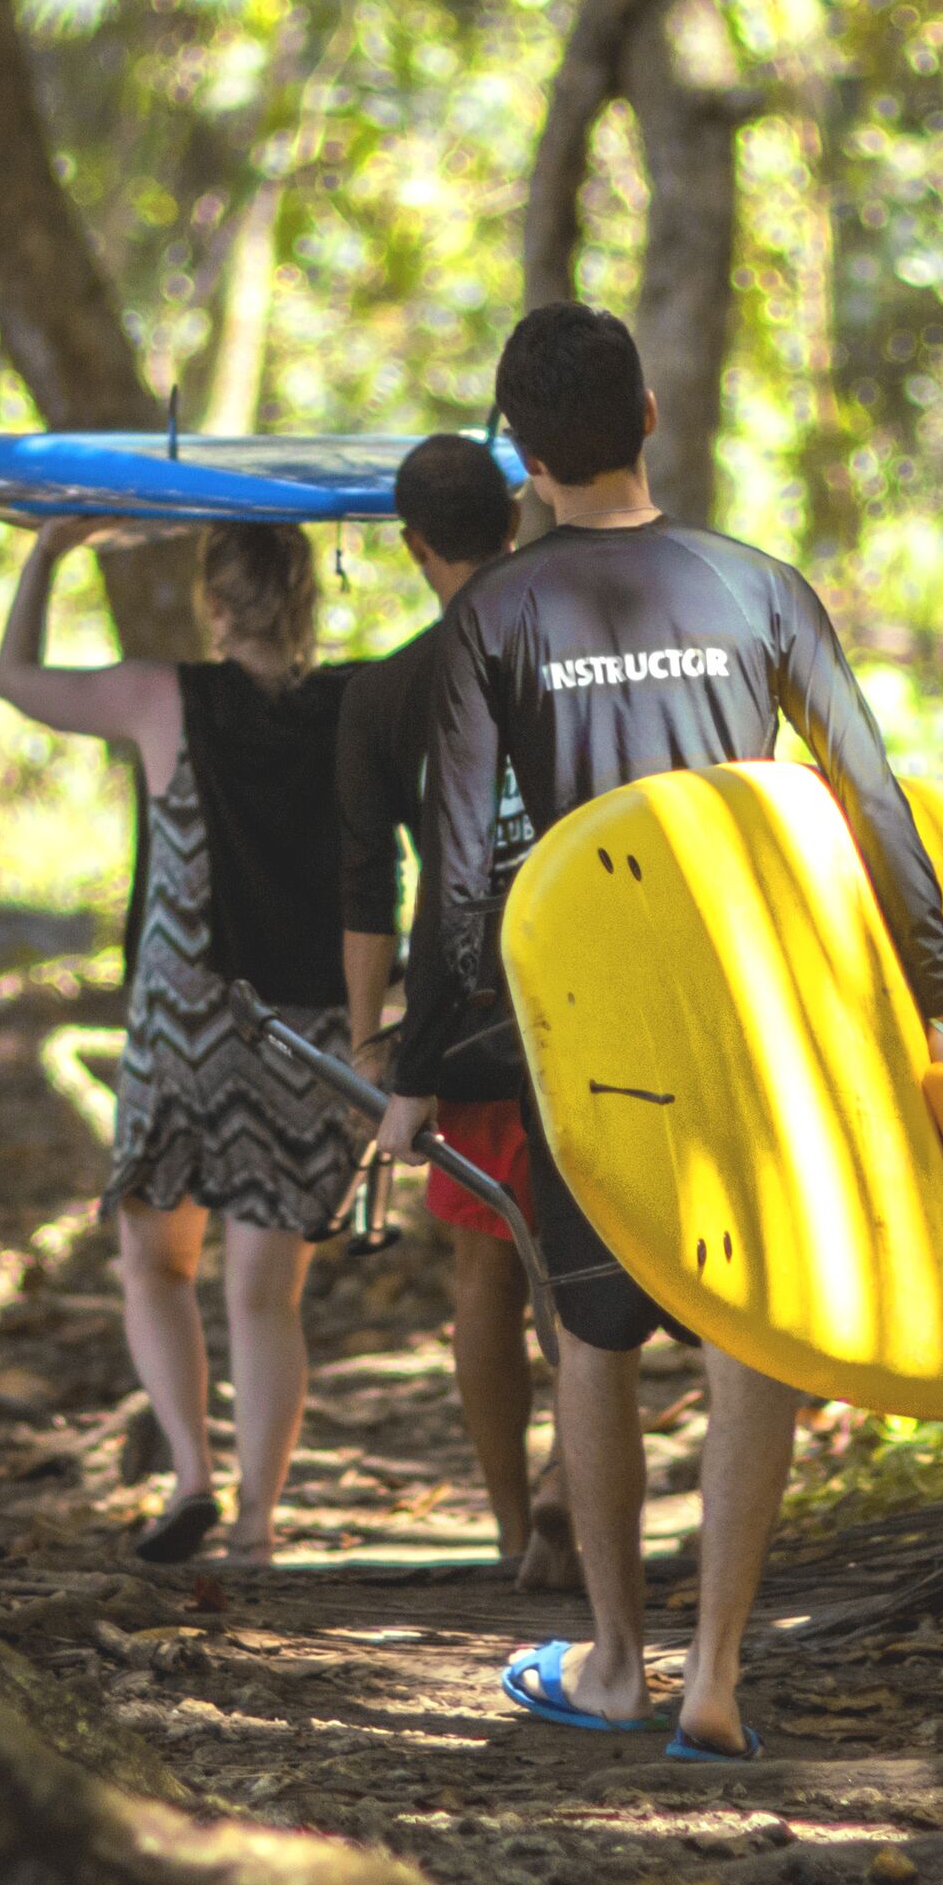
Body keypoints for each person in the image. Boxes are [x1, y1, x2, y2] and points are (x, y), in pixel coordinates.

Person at [378, 303, 943, 1761]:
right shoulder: (756, 584)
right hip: (754, 1016)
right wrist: (938, 992)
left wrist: (427, 1063)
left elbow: (457, 875)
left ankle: (617, 1662)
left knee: (596, 1329)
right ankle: (717, 1673)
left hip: (586, 1031)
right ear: (647, 416)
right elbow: (869, 799)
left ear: (522, 457)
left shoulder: (491, 618)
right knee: (748, 1325)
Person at [0, 516, 364, 1565]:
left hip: (187, 1018)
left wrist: (52, 550)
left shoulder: (165, 695)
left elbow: (17, 678)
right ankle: (256, 1522)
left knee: (154, 1262)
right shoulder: (350, 703)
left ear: (214, 601)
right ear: (307, 601)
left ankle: (192, 1476)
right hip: (306, 1026)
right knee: (266, 1291)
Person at [335, 434, 573, 1591]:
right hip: (591, 991)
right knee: (582, 1269)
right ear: (514, 523)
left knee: (486, 1270)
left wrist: (369, 1038)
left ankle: (512, 1529)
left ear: (413, 544)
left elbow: (366, 882)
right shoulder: (575, 647)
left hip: (464, 1013)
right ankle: (575, 1499)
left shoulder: (386, 691)